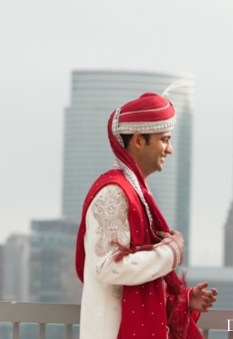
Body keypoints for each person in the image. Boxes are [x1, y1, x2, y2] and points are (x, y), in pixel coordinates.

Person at [75, 90, 218, 339]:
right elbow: (107, 267)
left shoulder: (135, 193)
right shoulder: (114, 194)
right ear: (139, 141)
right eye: (164, 139)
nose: (170, 150)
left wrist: (181, 300)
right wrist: (170, 251)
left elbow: (138, 277)